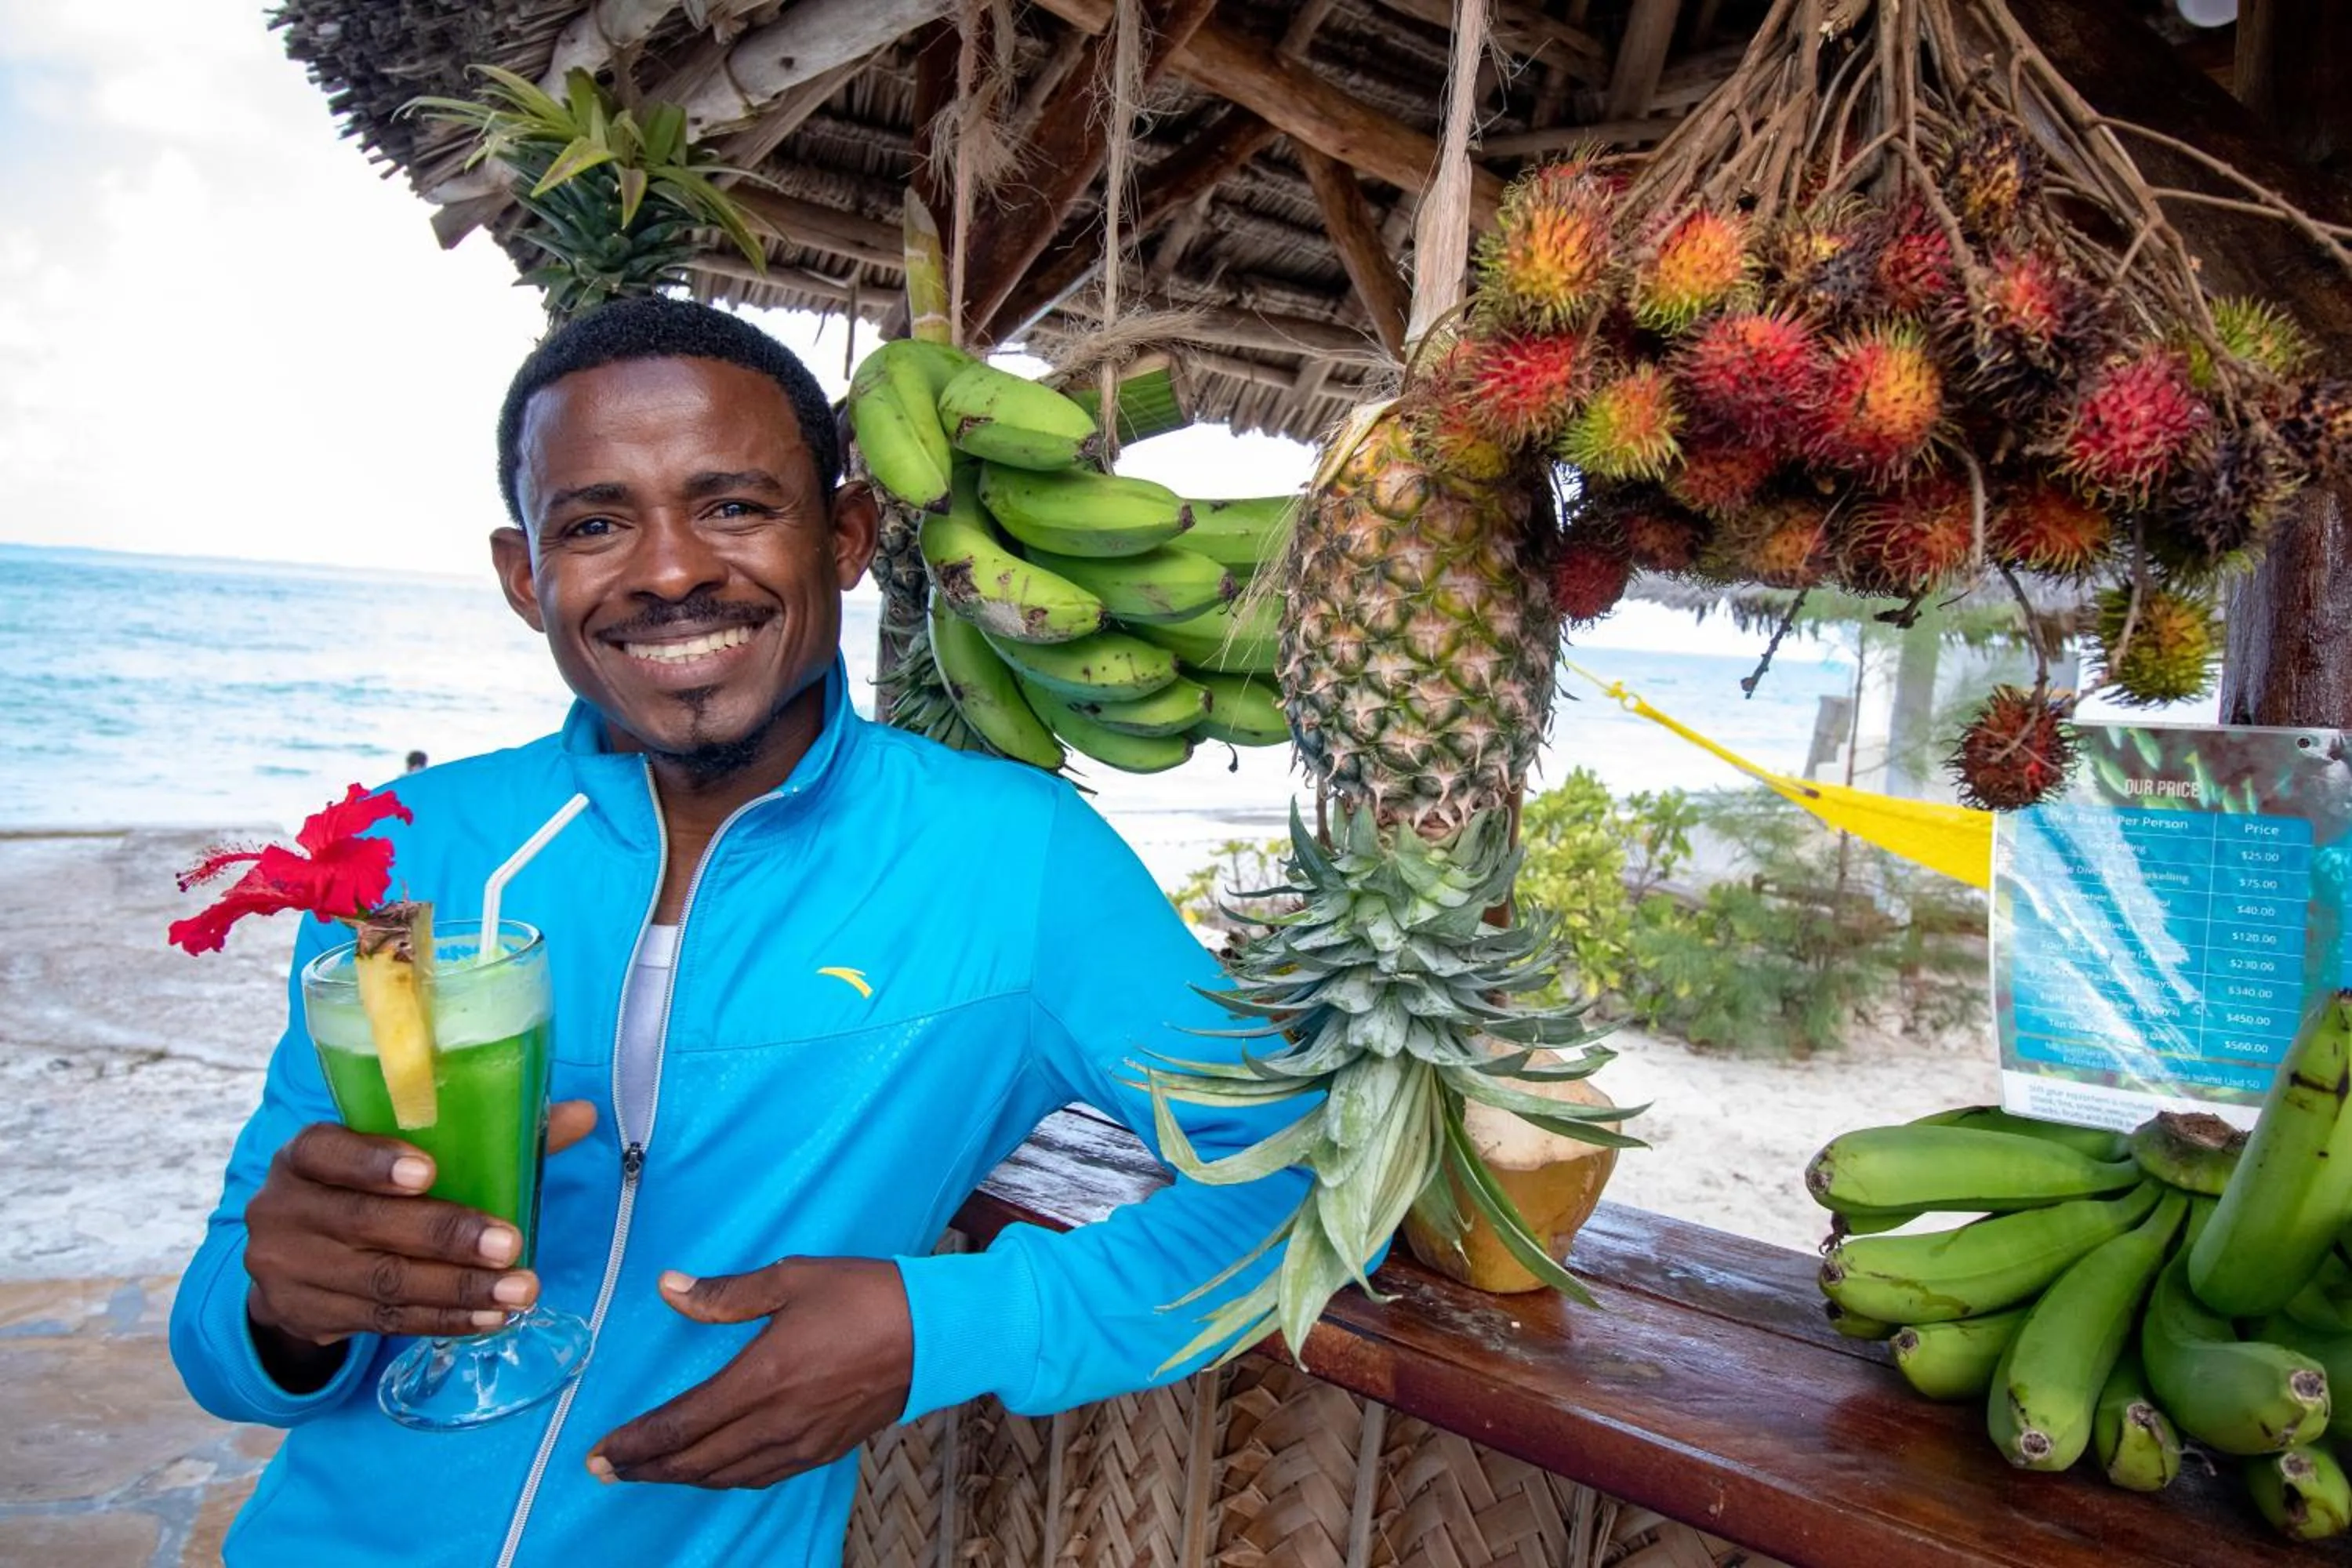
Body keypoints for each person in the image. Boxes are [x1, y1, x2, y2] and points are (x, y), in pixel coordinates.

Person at [170, 297, 1306, 1566]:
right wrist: (288, 1309)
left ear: (849, 534)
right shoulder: (405, 855)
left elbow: (1300, 1168)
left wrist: (953, 1324)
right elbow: (222, 1342)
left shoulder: (1015, 859)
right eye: (596, 523)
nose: (668, 572)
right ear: (522, 573)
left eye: (733, 506)